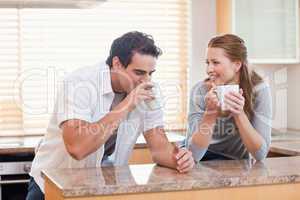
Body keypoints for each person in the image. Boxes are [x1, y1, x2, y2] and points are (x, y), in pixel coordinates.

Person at [26, 31, 195, 200]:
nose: (146, 81)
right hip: (52, 186)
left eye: (150, 73)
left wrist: (179, 159)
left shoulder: (149, 92)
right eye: (139, 73)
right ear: (117, 63)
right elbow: (77, 148)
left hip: (97, 189)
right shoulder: (80, 83)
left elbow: (159, 148)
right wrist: (128, 104)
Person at [186, 34, 272, 162]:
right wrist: (210, 113)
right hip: (201, 160)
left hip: (235, 162)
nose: (209, 69)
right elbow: (194, 155)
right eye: (207, 63)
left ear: (237, 65)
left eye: (215, 63)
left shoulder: (259, 90)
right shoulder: (199, 91)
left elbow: (260, 155)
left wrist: (239, 113)